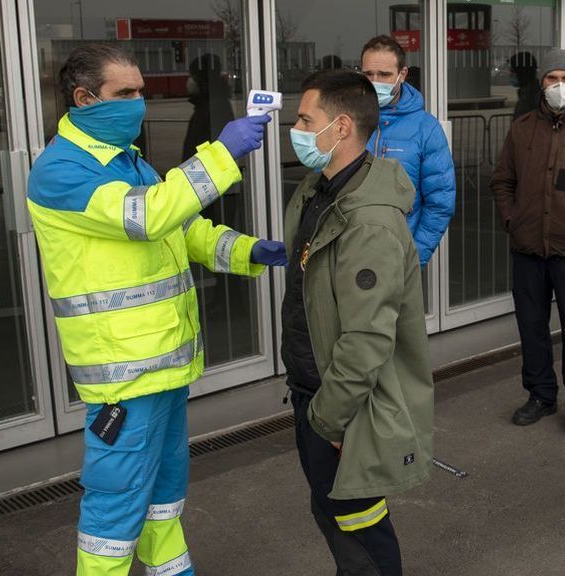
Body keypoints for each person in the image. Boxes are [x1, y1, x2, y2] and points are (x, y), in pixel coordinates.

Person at [27, 44, 285, 576]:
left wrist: (248, 251)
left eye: (141, 90)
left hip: (163, 368)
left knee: (164, 500)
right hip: (124, 377)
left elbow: (181, 230)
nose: (140, 103)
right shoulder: (61, 171)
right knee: (114, 512)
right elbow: (147, 216)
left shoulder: (128, 161)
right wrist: (222, 153)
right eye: (126, 93)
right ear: (84, 98)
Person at [282, 69, 433, 576]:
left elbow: (367, 339)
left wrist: (329, 417)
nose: (296, 127)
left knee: (359, 527)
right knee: (334, 515)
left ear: (341, 127)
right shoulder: (321, 192)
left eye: (306, 119)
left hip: (340, 408)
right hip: (314, 392)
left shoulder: (368, 222)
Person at [491, 48, 565, 436]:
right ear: (540, 83)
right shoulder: (522, 127)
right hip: (527, 248)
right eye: (551, 78)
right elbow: (502, 180)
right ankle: (541, 395)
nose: (558, 86)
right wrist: (511, 218)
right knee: (532, 327)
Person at [361, 35, 455, 267]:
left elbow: (440, 203)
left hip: (396, 259)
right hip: (349, 254)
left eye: (384, 75)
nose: (375, 82)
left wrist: (412, 259)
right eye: (368, 74)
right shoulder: (347, 120)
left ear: (402, 75)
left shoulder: (426, 128)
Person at [182, 53, 234, 160]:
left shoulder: (214, 108)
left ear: (202, 80)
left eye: (193, 76)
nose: (190, 81)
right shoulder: (206, 105)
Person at [509, 51, 540, 120]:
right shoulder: (534, 93)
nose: (510, 75)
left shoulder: (527, 101)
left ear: (521, 72)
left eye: (512, 71)